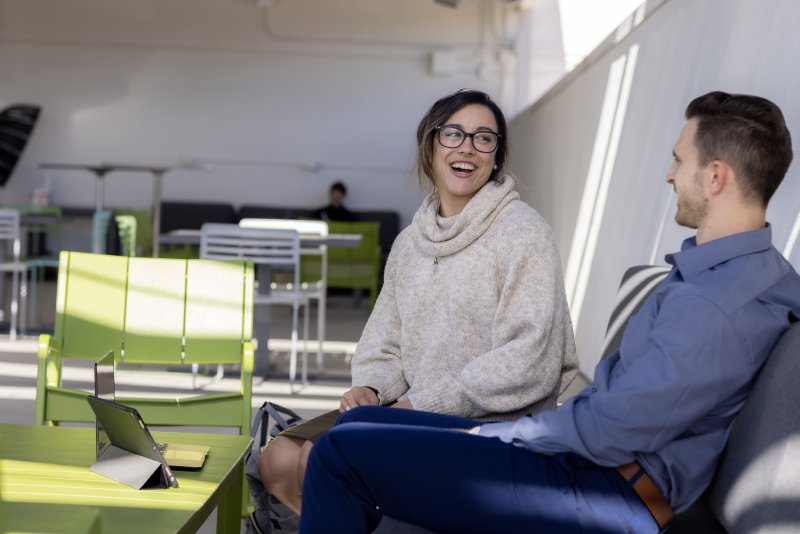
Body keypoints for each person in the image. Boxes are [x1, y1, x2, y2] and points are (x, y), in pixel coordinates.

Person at [297, 90, 800, 534]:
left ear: (715, 176)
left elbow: (612, 430)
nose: (668, 174)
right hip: (589, 466)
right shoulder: (739, 273)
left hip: (603, 491)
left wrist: (494, 435)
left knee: (340, 454)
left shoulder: (718, 303)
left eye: (678, 160)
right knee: (357, 426)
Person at [258, 89, 579, 520]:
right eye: (453, 134)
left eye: (484, 138)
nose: (467, 147)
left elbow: (530, 362)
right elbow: (383, 341)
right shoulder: (411, 243)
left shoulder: (524, 233)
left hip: (492, 427)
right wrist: (372, 387)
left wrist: (418, 404)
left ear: (496, 156)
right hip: (409, 410)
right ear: (430, 146)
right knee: (276, 457)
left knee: (322, 453)